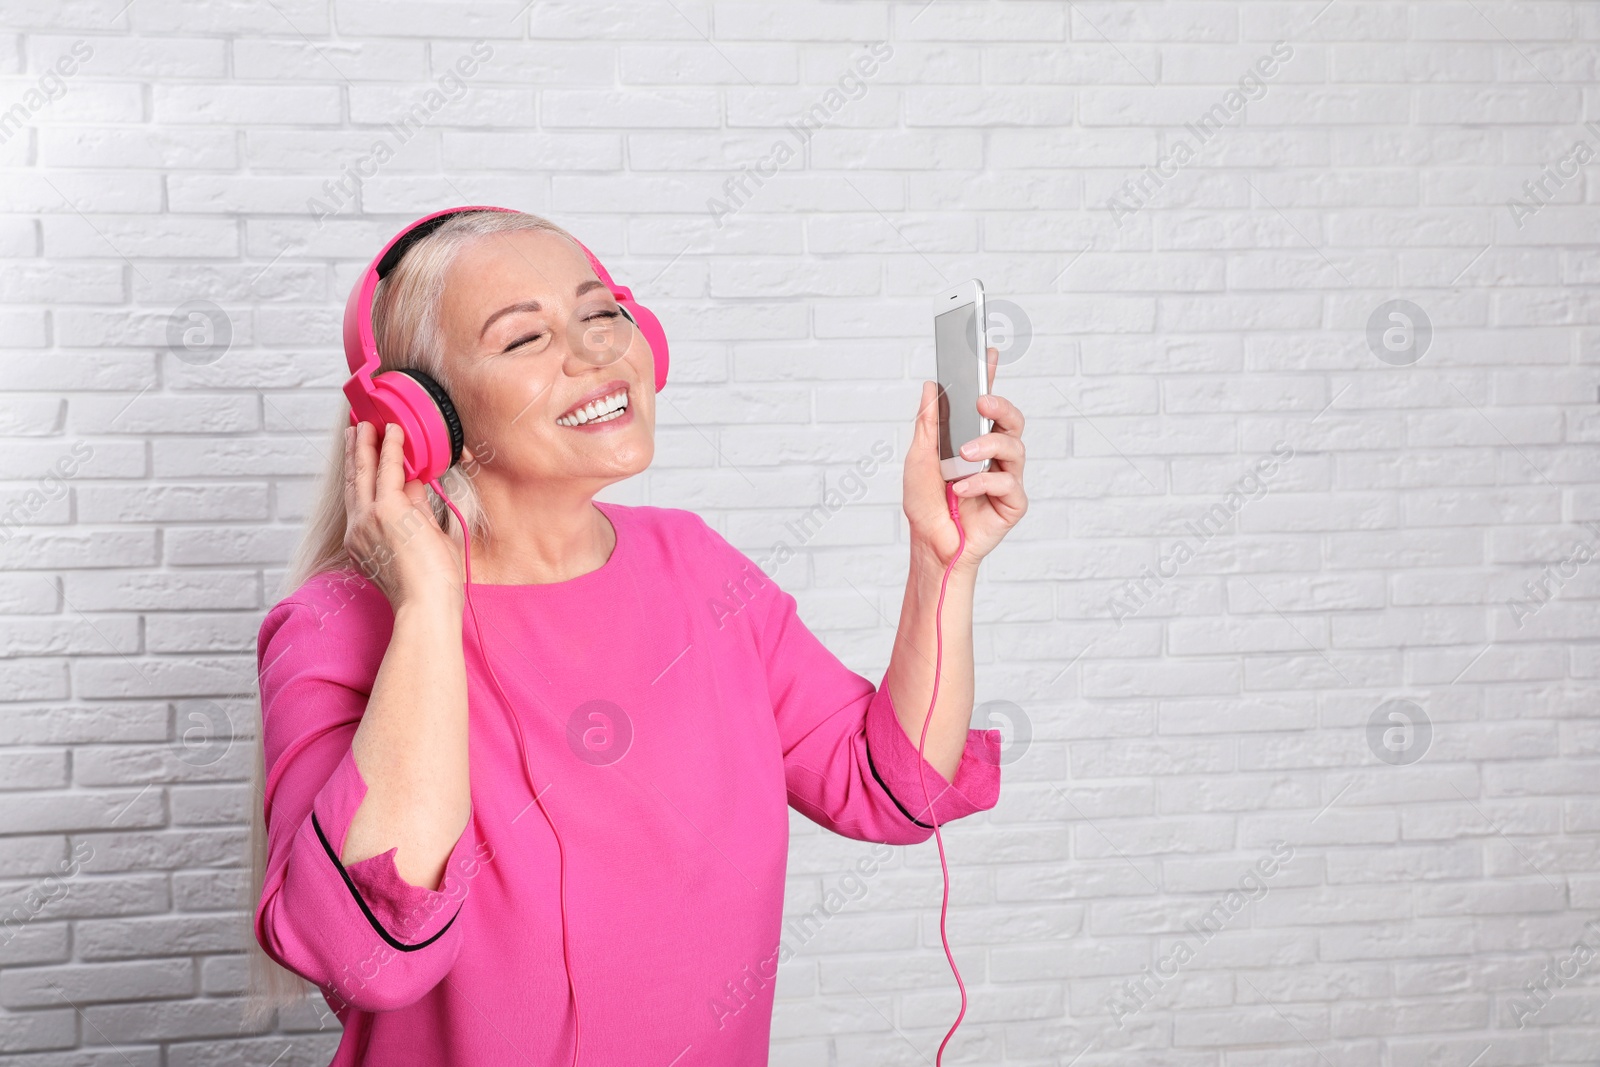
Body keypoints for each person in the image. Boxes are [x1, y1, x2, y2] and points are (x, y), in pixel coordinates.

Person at [248, 209, 1030, 1065]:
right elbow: (368, 958)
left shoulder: (696, 567)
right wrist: (428, 604)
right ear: (427, 416)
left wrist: (942, 561)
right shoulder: (335, 627)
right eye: (523, 340)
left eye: (601, 314)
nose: (593, 352)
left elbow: (895, 787)